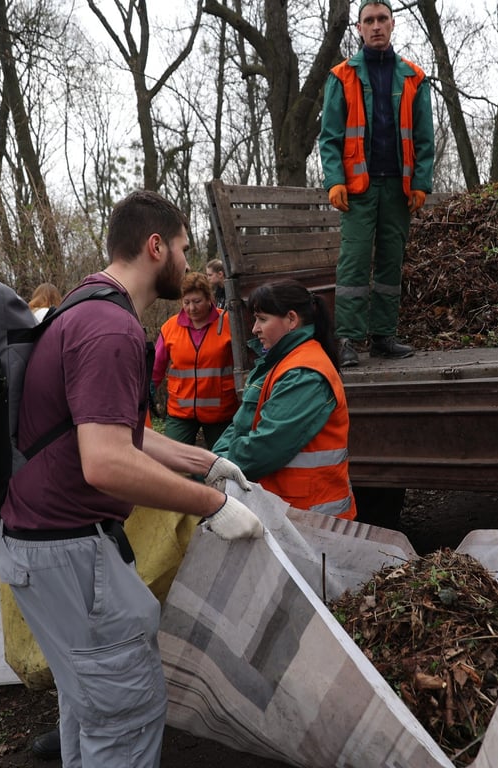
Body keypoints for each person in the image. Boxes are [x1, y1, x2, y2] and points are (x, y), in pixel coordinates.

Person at [0, 189, 264, 768]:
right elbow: (107, 462)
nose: (190, 265)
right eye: (185, 250)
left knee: (89, 704)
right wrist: (210, 506)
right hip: (65, 549)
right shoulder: (111, 329)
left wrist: (203, 462)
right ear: (155, 246)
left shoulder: (81, 305)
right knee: (127, 713)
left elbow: (115, 433)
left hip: (38, 542)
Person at [318, 0, 434, 368]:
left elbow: (424, 138)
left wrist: (421, 183)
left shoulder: (414, 77)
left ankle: (384, 336)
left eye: (382, 19)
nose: (376, 26)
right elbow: (330, 137)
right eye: (369, 20)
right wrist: (335, 180)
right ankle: (349, 339)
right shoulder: (341, 76)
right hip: (358, 189)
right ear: (359, 28)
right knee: (353, 263)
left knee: (390, 262)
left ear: (393, 24)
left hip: (398, 187)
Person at [213, 280, 357, 520]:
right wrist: (212, 461)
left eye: (262, 319)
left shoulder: (304, 373)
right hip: (292, 514)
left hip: (311, 520)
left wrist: (211, 467)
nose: (254, 329)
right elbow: (243, 425)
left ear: (291, 320)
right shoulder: (284, 362)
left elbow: (264, 447)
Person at [151, 271, 239, 449]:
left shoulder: (228, 323)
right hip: (180, 411)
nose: (191, 308)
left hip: (221, 411)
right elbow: (155, 368)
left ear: (209, 299)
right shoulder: (170, 328)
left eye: (197, 301)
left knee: (224, 463)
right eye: (186, 302)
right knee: (171, 460)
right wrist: (144, 395)